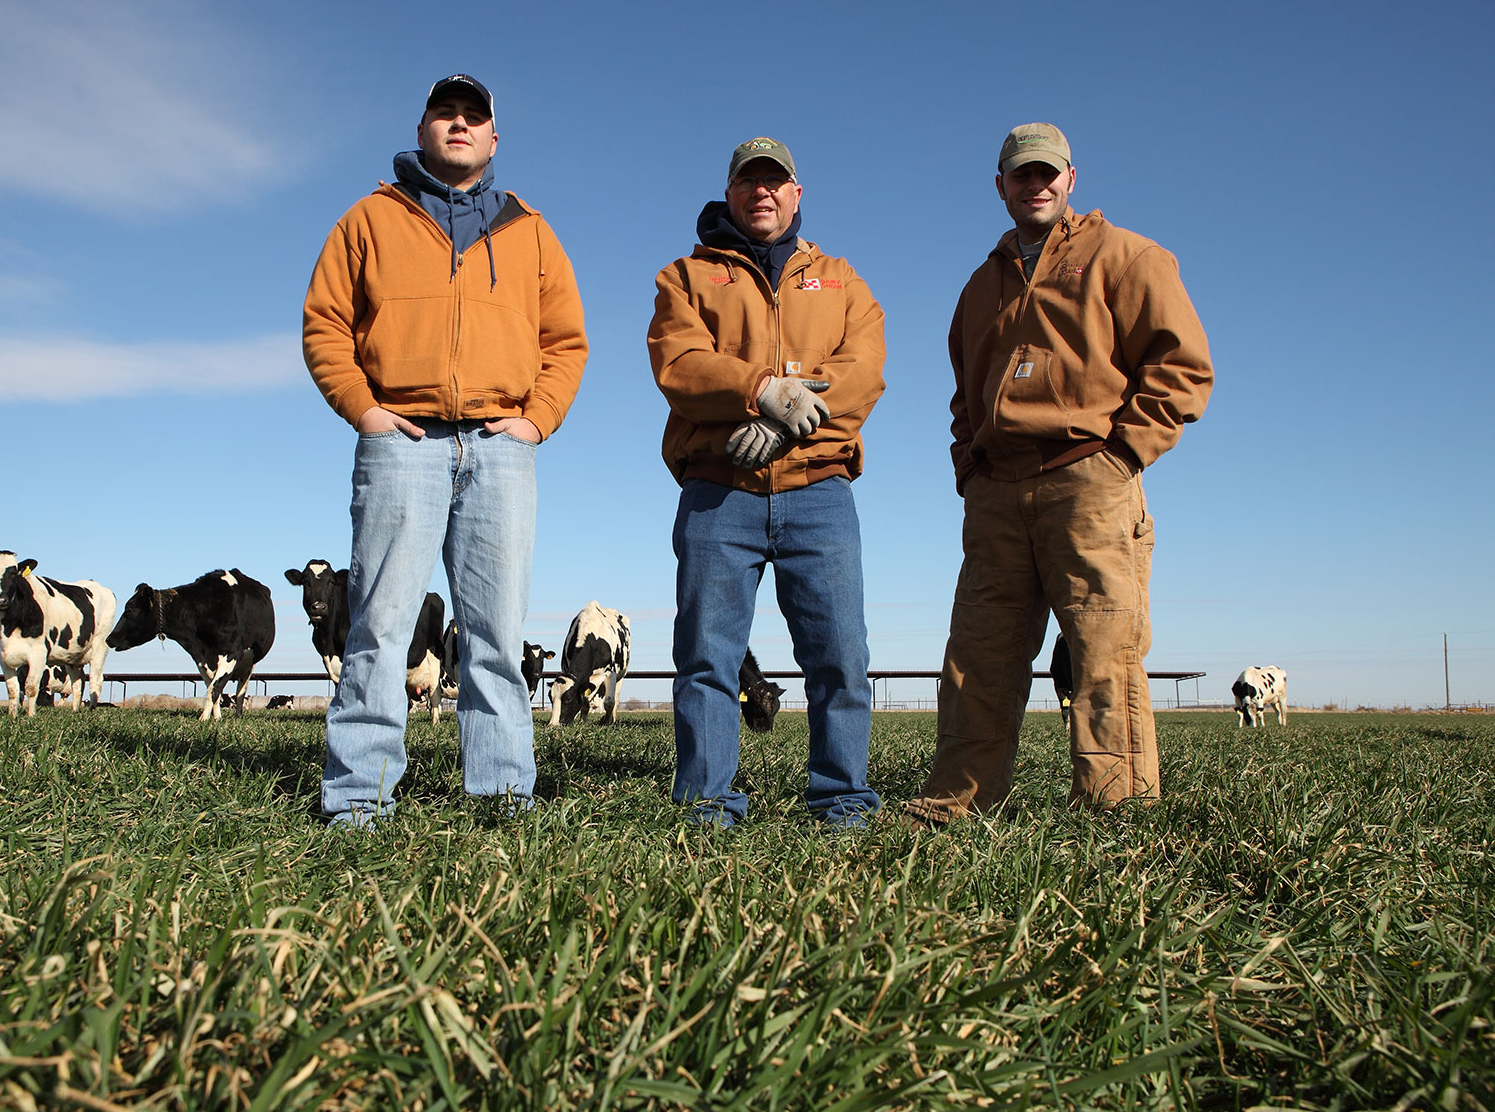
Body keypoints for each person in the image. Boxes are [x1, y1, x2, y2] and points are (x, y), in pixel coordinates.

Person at [301, 74, 588, 827]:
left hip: (500, 447)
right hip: (402, 443)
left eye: (473, 117)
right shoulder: (369, 219)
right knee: (379, 624)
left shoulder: (530, 229)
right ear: (423, 129)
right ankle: (358, 803)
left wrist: (536, 419)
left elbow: (565, 342)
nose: (458, 125)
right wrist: (363, 409)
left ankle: (501, 799)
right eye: (445, 114)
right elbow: (326, 324)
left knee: (494, 632)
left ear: (494, 138)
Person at [907, 123, 1214, 825]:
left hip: (1089, 479)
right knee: (978, 656)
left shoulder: (1127, 256)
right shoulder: (980, 285)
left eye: (1048, 172)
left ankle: (1114, 812)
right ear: (1001, 186)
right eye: (1021, 174)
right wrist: (969, 467)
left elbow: (1182, 368)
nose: (1035, 184)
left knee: (1103, 651)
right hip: (995, 492)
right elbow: (964, 392)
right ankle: (956, 802)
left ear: (1071, 179)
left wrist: (1122, 453)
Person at [647, 137, 886, 829]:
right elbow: (680, 364)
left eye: (775, 181)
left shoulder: (840, 278)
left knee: (840, 655)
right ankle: (706, 805)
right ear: (729, 193)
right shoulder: (685, 277)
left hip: (819, 489)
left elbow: (863, 368)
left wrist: (783, 422)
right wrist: (760, 387)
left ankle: (841, 800)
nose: (763, 193)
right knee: (705, 658)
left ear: (796, 193)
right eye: (749, 182)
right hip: (718, 490)